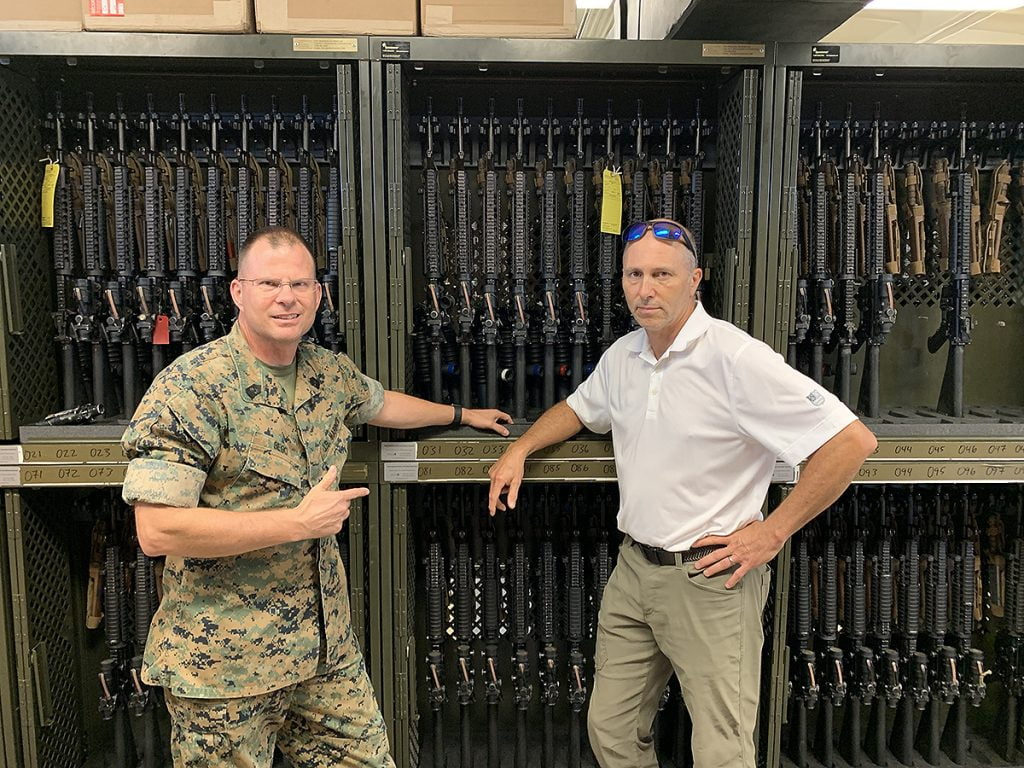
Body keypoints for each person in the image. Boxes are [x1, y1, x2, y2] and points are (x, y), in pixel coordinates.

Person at [487, 218, 876, 768]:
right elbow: (578, 409)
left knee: (721, 749)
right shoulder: (625, 355)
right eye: (634, 275)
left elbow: (851, 442)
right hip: (635, 572)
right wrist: (522, 447)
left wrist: (771, 534)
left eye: (662, 275)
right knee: (611, 729)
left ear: (695, 280)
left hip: (710, 579)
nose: (645, 290)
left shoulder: (734, 358)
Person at [122, 226, 511, 768]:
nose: (287, 297)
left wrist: (462, 414)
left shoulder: (327, 374)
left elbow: (381, 403)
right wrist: (297, 523)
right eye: (270, 284)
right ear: (238, 292)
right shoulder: (191, 387)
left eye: (300, 284)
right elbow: (158, 530)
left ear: (318, 294)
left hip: (323, 654)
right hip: (224, 668)